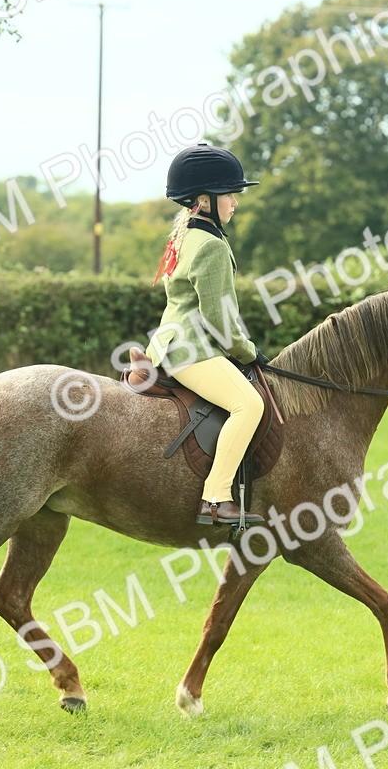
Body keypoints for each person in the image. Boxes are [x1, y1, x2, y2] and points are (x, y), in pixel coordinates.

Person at [145, 143, 268, 526]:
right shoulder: (211, 246)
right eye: (229, 194)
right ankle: (215, 499)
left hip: (168, 342)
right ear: (203, 200)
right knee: (250, 405)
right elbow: (220, 320)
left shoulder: (185, 237)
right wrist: (248, 352)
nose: (235, 202)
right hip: (190, 349)